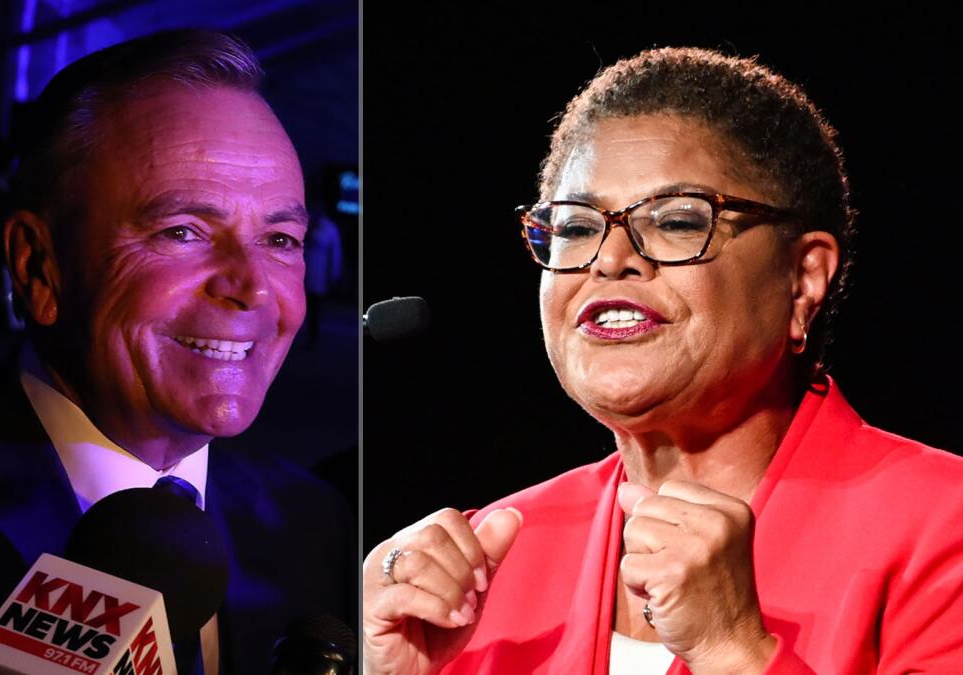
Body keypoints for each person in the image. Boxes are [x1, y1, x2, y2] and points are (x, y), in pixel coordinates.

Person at [362, 47, 963, 674]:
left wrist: (733, 652)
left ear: (803, 278)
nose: (609, 258)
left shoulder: (942, 530)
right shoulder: (486, 565)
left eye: (676, 220)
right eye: (572, 227)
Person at [0, 30, 352, 674]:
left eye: (279, 239)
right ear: (38, 267)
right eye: (182, 231)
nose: (249, 287)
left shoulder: (321, 526)